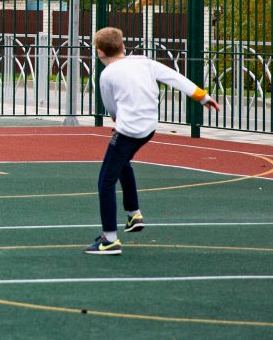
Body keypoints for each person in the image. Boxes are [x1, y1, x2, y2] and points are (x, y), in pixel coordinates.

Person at [85, 26, 219, 256]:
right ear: (123, 47)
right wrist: (202, 96)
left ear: (99, 52)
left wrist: (117, 118)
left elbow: (109, 105)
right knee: (122, 164)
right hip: (149, 128)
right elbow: (175, 77)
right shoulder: (143, 61)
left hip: (129, 131)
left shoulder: (107, 74)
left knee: (105, 182)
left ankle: (110, 239)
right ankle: (133, 214)